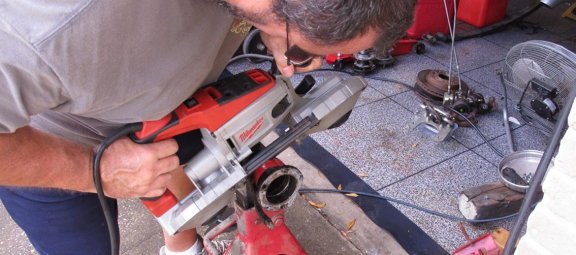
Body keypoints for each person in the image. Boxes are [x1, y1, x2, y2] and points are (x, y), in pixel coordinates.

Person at [0, 0, 416, 254]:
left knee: (181, 196)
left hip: (167, 102)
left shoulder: (266, 12)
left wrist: (278, 36)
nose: (306, 62)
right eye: (302, 49)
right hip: (46, 139)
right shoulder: (49, 30)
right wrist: (92, 169)